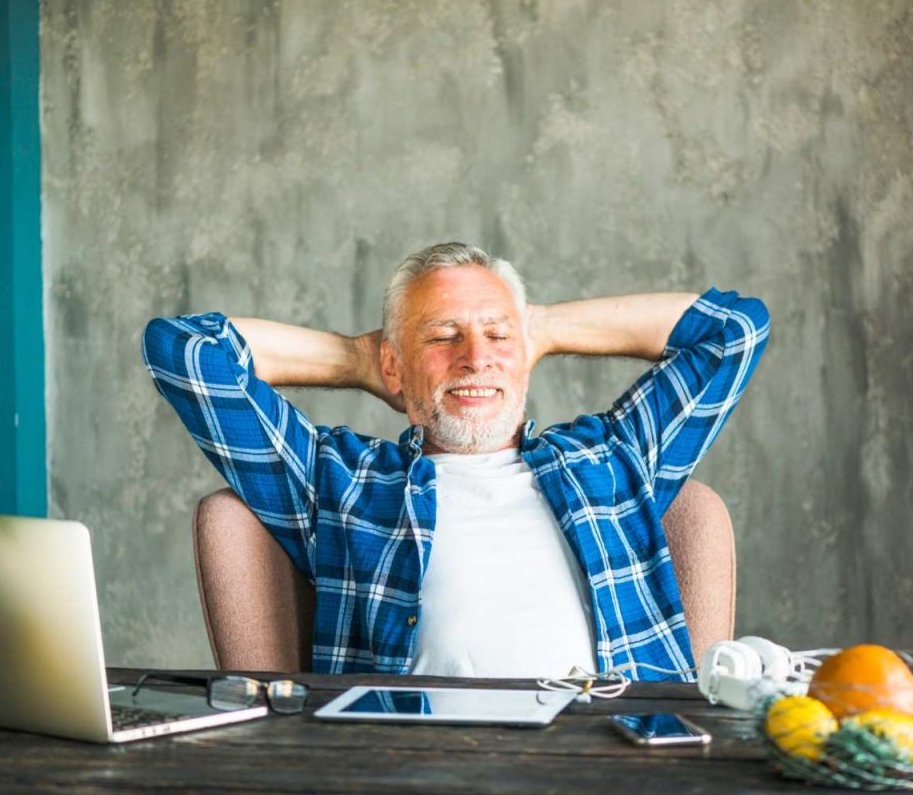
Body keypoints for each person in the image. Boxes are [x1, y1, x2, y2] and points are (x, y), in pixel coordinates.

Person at [141, 242, 769, 681]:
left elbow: (734, 330)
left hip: (613, 760)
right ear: (396, 364)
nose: (475, 358)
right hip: (411, 763)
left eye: (497, 337)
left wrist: (541, 327)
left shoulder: (612, 459)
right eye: (442, 337)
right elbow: (185, 350)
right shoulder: (341, 481)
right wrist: (360, 360)